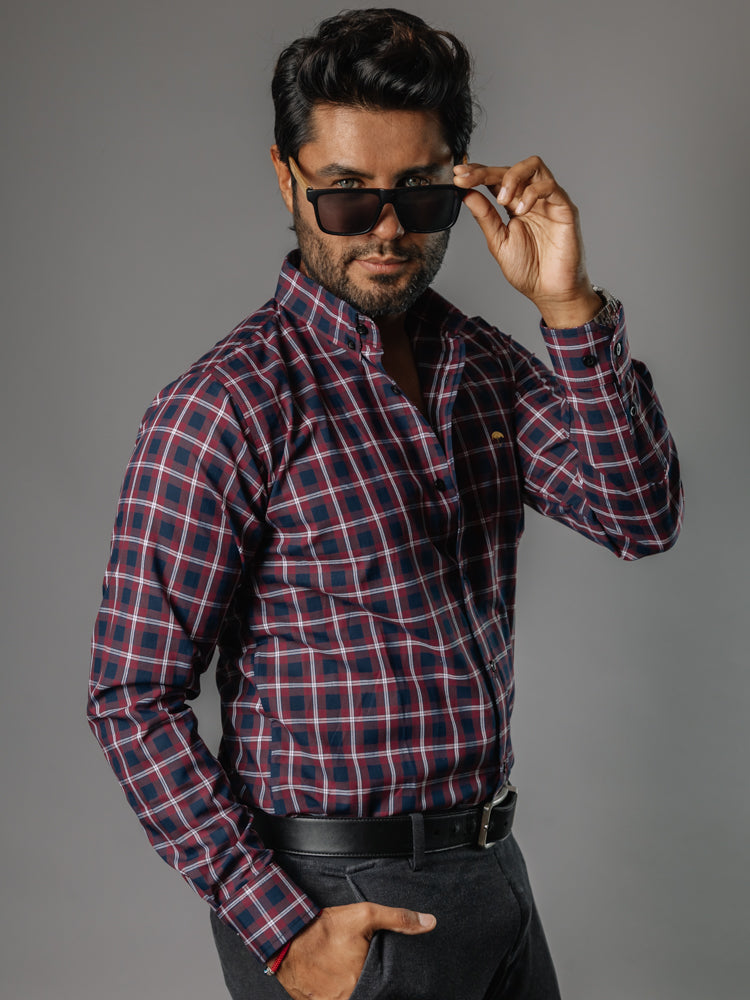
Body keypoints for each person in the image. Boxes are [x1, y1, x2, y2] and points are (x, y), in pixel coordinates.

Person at [87, 8, 683, 999]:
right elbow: (130, 694)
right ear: (287, 179)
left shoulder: (479, 364)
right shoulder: (228, 405)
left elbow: (640, 515)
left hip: (493, 871)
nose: (389, 229)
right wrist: (281, 930)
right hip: (337, 896)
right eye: (347, 196)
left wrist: (569, 306)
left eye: (421, 193)